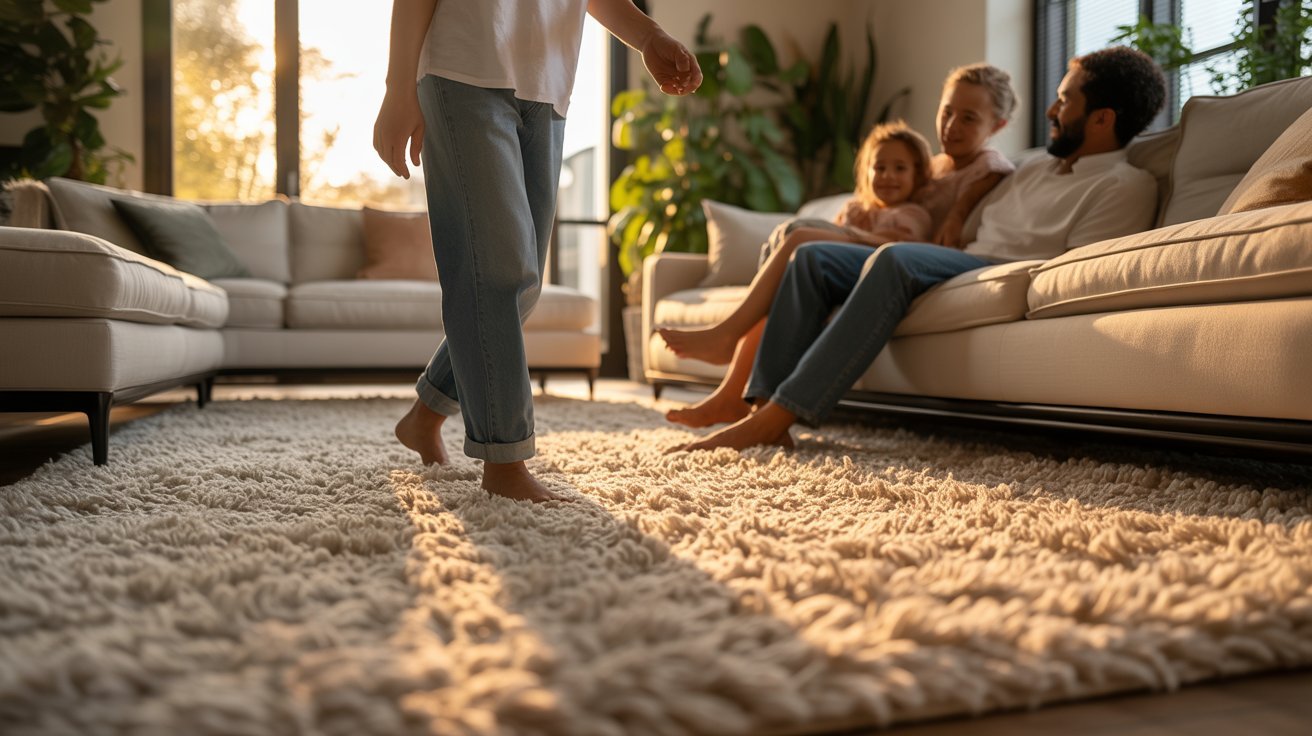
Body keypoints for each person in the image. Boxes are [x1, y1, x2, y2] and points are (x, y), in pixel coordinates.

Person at [671, 46, 1166, 453]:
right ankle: (759, 408)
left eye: (1064, 101)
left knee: (894, 257)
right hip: (958, 258)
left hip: (1000, 267)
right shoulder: (1035, 165)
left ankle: (782, 411)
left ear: (1102, 118)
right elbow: (968, 191)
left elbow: (1083, 273)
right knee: (811, 256)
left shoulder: (1125, 186)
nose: (1051, 111)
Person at [374, 0, 701, 502]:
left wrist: (649, 36)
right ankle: (504, 463)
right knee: (495, 275)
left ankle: (426, 415)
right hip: (462, 68)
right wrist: (398, 89)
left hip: (547, 85)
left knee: (521, 283)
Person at [662, 63, 1019, 429]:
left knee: (800, 235)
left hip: (907, 255)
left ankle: (729, 341)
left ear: (998, 126)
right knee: (792, 243)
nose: (951, 125)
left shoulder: (987, 164)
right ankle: (743, 397)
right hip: (879, 250)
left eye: (969, 118)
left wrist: (958, 214)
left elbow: (979, 186)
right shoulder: (930, 165)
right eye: (947, 111)